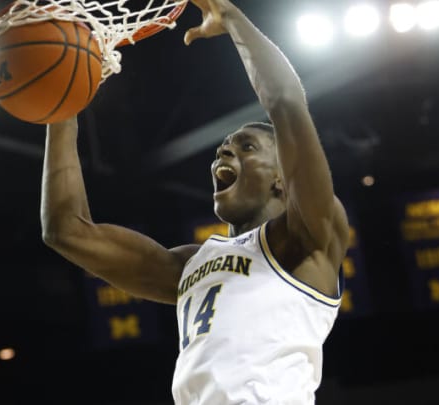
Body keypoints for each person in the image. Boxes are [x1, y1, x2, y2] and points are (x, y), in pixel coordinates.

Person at [39, 0, 350, 403]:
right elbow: (66, 230)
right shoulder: (189, 265)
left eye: (247, 146)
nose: (224, 153)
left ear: (281, 177)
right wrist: (62, 106)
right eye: (222, 148)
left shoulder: (307, 240)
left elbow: (286, 105)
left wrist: (233, 18)